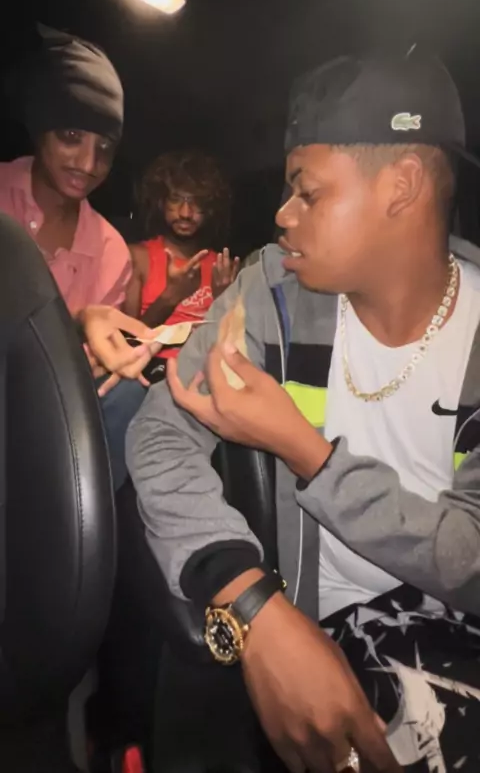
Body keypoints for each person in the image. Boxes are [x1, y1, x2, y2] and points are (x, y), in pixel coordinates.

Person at [127, 51, 480, 773]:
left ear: (402, 186)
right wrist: (249, 601)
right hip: (311, 623)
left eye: (307, 193)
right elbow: (161, 433)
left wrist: (306, 452)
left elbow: (469, 562)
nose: (282, 215)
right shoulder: (272, 296)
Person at [1, 24, 146, 488]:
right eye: (70, 135)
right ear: (38, 128)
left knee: (133, 394)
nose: (87, 164)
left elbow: (79, 382)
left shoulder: (111, 250)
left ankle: (82, 526)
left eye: (104, 149)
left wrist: (110, 357)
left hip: (53, 421)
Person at [125, 150, 240, 380]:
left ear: (210, 209)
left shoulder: (221, 267)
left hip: (207, 373)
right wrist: (170, 297)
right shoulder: (138, 257)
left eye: (196, 203)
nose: (186, 213)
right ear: (161, 202)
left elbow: (236, 345)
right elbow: (127, 343)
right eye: (176, 199)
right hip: (151, 371)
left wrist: (223, 303)